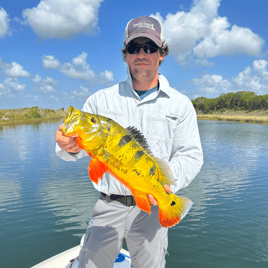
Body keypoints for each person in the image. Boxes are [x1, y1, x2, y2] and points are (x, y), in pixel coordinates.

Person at [55, 15, 203, 268]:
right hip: (108, 204)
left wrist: (167, 184)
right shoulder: (100, 100)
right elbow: (72, 150)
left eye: (150, 47)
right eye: (134, 47)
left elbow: (191, 155)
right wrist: (66, 145)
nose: (142, 53)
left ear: (162, 53)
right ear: (125, 54)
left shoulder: (180, 104)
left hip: (153, 208)